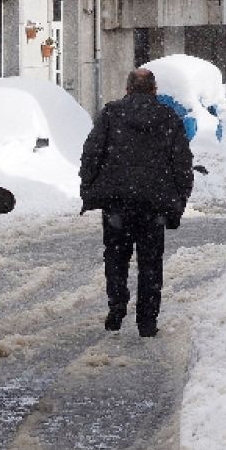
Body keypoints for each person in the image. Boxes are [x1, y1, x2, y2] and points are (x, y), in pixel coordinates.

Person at [78, 68, 194, 338]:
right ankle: (147, 320)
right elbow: (182, 163)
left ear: (127, 89)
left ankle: (117, 307)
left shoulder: (111, 114)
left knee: (115, 258)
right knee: (151, 263)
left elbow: (92, 153)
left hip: (117, 202)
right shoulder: (168, 117)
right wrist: (179, 199)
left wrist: (89, 186)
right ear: (155, 90)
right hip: (154, 206)